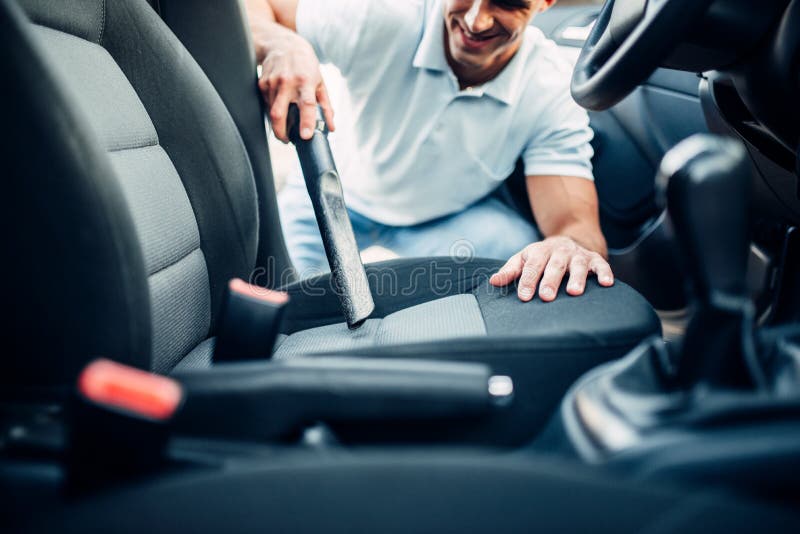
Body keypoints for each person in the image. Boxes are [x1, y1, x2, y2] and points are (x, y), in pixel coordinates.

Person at [245, 0, 615, 303]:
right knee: (278, 299)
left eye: (505, 3)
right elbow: (251, 7)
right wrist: (285, 43)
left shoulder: (549, 89)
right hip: (331, 197)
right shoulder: (382, 16)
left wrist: (568, 247)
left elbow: (575, 227)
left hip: (443, 221)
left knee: (532, 264)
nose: (475, 19)